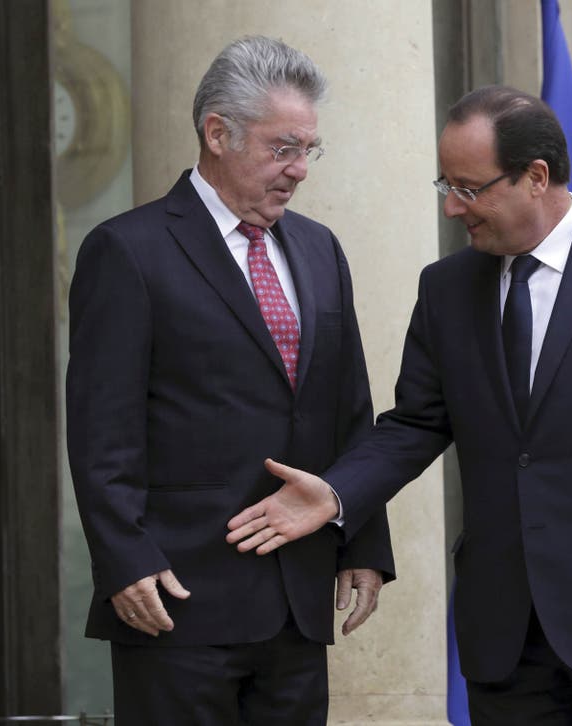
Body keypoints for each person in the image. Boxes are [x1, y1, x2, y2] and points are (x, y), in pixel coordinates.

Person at [226, 85, 572, 726]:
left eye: (469, 189)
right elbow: (414, 423)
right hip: (505, 624)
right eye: (446, 184)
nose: (451, 208)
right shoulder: (447, 288)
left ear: (536, 178)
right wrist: (335, 494)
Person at [66, 36, 394, 725]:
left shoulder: (319, 247)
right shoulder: (128, 251)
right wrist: (124, 558)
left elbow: (349, 407)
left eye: (309, 149)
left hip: (296, 602)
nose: (300, 170)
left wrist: (361, 537)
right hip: (176, 600)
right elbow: (103, 428)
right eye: (283, 148)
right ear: (218, 133)